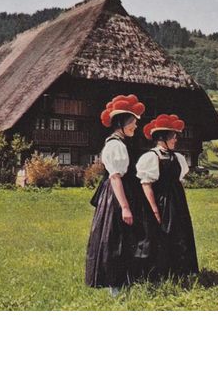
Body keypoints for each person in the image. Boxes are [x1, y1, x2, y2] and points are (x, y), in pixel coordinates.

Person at [85, 94, 146, 296]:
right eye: (132, 123)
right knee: (114, 239)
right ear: (121, 123)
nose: (135, 127)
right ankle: (115, 287)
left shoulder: (122, 143)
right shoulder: (115, 145)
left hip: (123, 192)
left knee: (125, 238)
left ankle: (126, 282)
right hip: (116, 197)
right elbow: (115, 177)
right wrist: (125, 207)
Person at [136, 114, 199, 278]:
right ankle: (160, 272)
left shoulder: (178, 157)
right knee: (163, 233)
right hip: (161, 200)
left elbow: (179, 180)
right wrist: (154, 210)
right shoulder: (151, 157)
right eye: (173, 137)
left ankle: (181, 270)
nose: (176, 140)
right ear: (162, 138)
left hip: (177, 200)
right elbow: (146, 185)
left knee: (181, 232)